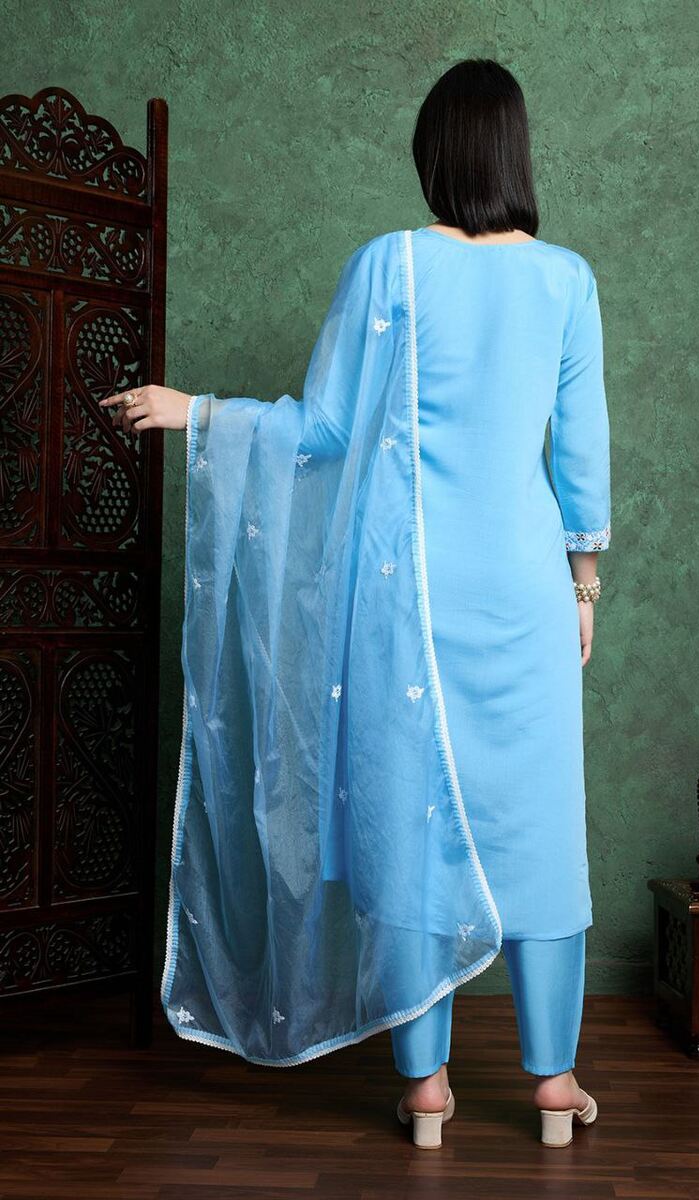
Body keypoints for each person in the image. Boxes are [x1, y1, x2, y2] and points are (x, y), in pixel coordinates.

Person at [102, 58, 610, 1150]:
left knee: (411, 819)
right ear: (515, 154)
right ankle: (554, 1084)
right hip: (525, 586)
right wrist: (583, 585)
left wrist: (201, 411)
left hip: (406, 591)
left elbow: (324, 430)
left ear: (436, 153)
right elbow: (580, 456)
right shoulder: (568, 282)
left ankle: (425, 1089)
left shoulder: (392, 265)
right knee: (535, 826)